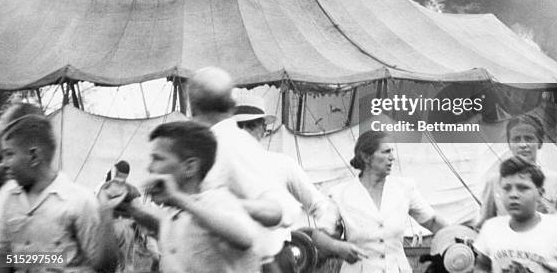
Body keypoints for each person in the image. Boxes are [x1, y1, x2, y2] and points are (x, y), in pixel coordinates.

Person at [188, 67, 298, 273]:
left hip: (255, 259)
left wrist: (229, 206)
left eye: (255, 125)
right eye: (247, 125)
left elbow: (284, 210)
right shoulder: (208, 143)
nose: (253, 131)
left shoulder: (231, 143)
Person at [118, 121, 261, 273]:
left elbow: (246, 237)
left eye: (158, 159)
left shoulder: (218, 200)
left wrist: (179, 199)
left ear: (190, 167)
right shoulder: (175, 213)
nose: (149, 167)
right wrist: (130, 207)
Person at [0, 112, 120, 273]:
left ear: (34, 156)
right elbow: (4, 257)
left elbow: (104, 267)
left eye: (9, 154)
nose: (3, 164)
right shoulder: (8, 195)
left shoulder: (79, 201)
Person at [313, 130, 447, 273]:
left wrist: (457, 236)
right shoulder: (341, 194)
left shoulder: (404, 188)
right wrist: (338, 247)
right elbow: (319, 235)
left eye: (392, 151)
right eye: (386, 152)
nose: (392, 157)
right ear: (366, 157)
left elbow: (432, 221)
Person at [235, 94, 331, 271]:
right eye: (240, 128)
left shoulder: (281, 164)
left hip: (259, 256)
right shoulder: (280, 163)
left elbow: (318, 205)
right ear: (263, 129)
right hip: (252, 256)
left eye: (247, 126)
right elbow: (318, 205)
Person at [474, 157, 557, 273]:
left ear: (540, 193)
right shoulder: (491, 227)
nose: (513, 194)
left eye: (522, 188)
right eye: (507, 188)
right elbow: (482, 263)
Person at [478, 114, 557, 226]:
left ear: (540, 142)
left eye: (529, 138)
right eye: (516, 139)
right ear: (509, 144)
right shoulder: (494, 182)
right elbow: (484, 225)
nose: (523, 144)